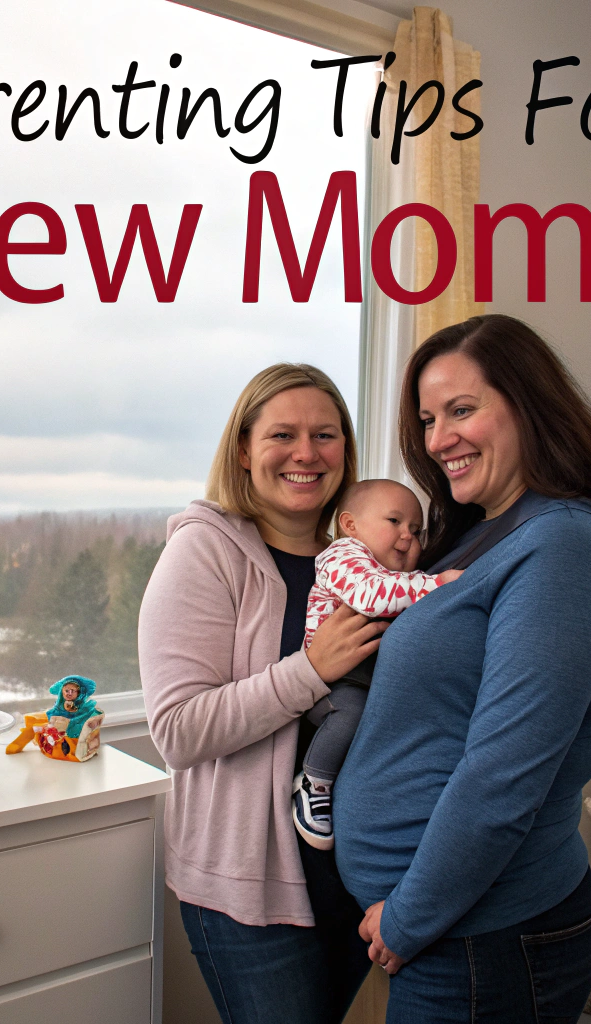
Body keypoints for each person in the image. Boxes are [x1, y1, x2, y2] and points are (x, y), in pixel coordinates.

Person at [334, 315, 591, 1024]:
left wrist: (409, 918)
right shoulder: (479, 536)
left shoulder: (562, 548)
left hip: (487, 939)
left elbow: (505, 774)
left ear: (529, 404)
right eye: (426, 418)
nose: (437, 438)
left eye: (461, 410)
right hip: (455, 932)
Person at [138, 363, 385, 1024]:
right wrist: (311, 669)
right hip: (250, 893)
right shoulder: (204, 553)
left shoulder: (362, 561)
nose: (306, 452)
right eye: (283, 434)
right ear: (244, 450)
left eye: (325, 435)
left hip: (360, 881)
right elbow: (179, 730)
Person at [293, 478, 461, 850]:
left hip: (368, 675)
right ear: (350, 525)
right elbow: (371, 596)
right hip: (336, 682)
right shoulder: (342, 557)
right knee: (350, 713)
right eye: (394, 522)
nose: (407, 537)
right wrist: (438, 584)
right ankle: (312, 782)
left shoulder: (396, 576)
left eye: (416, 531)